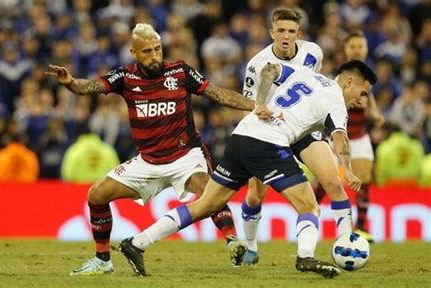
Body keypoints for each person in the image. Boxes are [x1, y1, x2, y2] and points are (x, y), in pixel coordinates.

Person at [118, 60, 375, 279]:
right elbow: (340, 138)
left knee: (206, 205)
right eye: (363, 93)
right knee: (309, 206)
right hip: (269, 144)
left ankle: (137, 243)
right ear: (349, 82)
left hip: (241, 136)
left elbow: (268, 70)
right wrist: (348, 169)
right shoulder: (337, 101)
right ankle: (305, 257)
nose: (362, 101)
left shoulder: (306, 74)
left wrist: (260, 102)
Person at [46, 23, 254, 276]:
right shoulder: (125, 77)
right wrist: (70, 83)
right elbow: (91, 87)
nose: (155, 55)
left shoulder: (179, 71)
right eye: (147, 51)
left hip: (185, 156)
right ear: (134, 53)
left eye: (157, 49)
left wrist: (253, 106)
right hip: (148, 161)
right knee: (96, 195)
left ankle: (234, 241)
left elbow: (217, 94)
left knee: (209, 190)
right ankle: (103, 260)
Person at [240, 8, 354, 266]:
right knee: (256, 195)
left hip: (303, 131)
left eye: (291, 31)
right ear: (272, 32)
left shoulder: (313, 52)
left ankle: (346, 242)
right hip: (269, 132)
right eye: (280, 30)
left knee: (333, 182)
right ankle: (250, 247)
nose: (285, 36)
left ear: (298, 34)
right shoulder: (256, 65)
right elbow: (248, 105)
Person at [315, 30, 385, 242]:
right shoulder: (340, 75)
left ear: (366, 48)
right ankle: (310, 211)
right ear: (345, 49)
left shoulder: (366, 77)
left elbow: (369, 100)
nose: (357, 50)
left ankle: (361, 227)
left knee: (364, 179)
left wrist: (374, 114)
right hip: (335, 133)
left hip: (358, 134)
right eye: (353, 46)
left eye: (360, 46)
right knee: (327, 180)